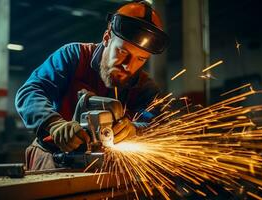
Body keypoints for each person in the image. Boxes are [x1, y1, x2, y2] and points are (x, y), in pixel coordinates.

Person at [15, 1, 169, 170]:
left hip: (108, 167)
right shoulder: (73, 57)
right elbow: (30, 92)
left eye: (140, 59)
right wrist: (54, 124)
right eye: (123, 52)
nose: (128, 66)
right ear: (107, 38)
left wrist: (135, 130)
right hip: (53, 160)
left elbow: (160, 126)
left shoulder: (145, 87)